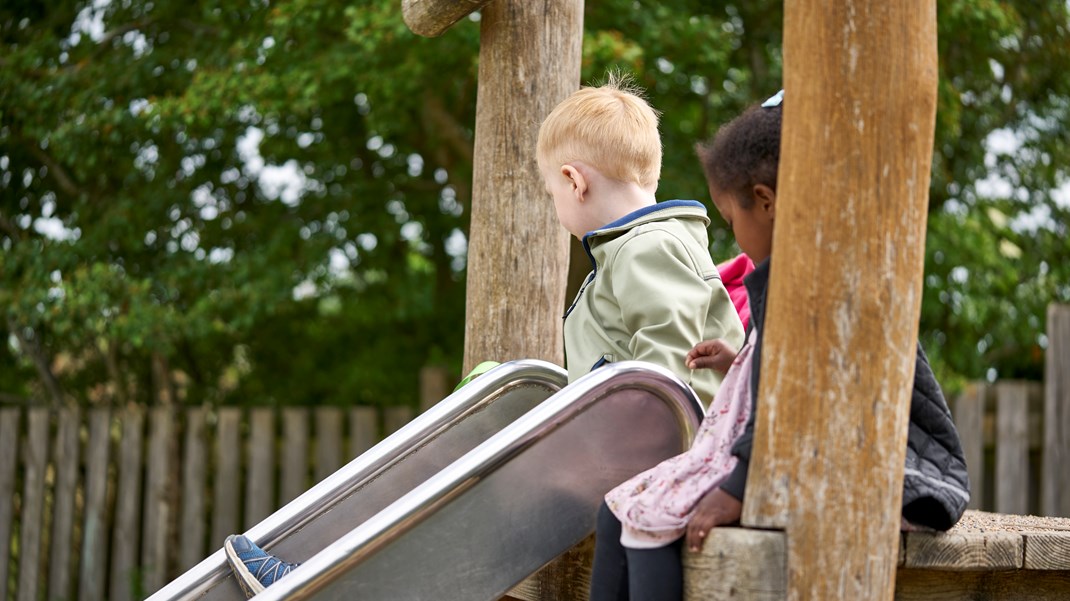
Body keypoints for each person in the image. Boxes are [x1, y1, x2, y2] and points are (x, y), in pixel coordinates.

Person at [221, 75, 746, 598]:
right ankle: (323, 573)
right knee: (471, 447)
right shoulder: (642, 246)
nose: (556, 205)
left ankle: (328, 585)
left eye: (551, 192)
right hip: (627, 451)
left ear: (574, 181)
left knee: (472, 496)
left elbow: (660, 381)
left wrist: (562, 431)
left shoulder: (645, 249)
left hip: (652, 458)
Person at [589, 90, 971, 601]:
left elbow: (797, 399)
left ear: (766, 201)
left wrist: (738, 490)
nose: (734, 233)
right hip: (800, 453)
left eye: (731, 218)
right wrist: (737, 359)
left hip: (856, 466)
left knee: (647, 521)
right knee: (615, 508)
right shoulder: (803, 273)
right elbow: (782, 370)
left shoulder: (809, 280)